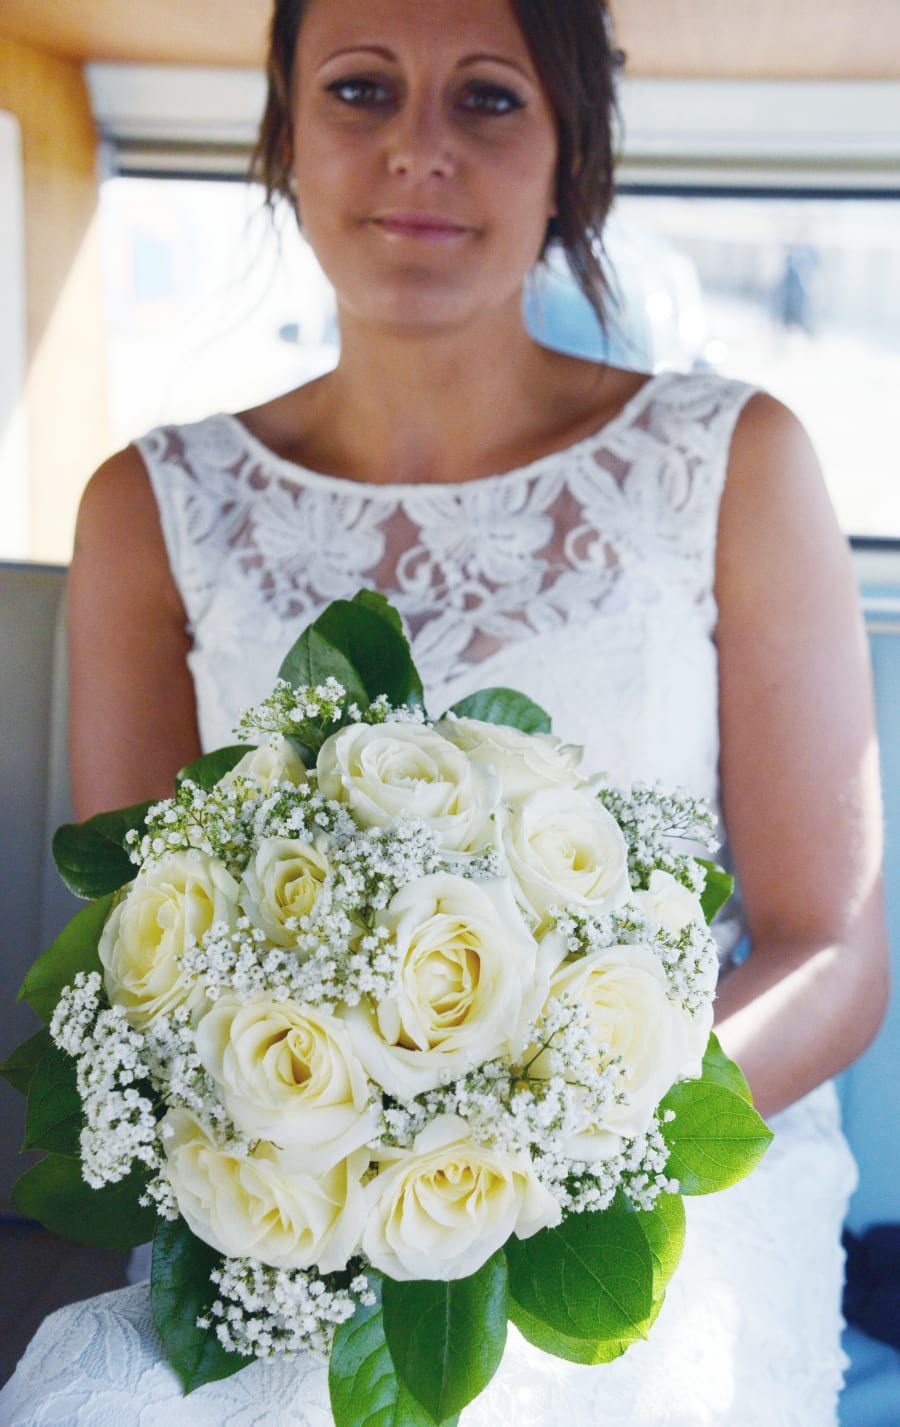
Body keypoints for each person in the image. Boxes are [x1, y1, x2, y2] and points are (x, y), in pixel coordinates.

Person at [1, 0, 888, 1422]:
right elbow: (142, 946)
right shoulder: (149, 506)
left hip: (663, 1163)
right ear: (285, 134)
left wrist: (555, 1137)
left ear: (572, 156)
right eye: (359, 90)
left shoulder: (733, 459)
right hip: (302, 1172)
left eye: (487, 100)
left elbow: (830, 948)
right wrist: (331, 1151)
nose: (418, 150)